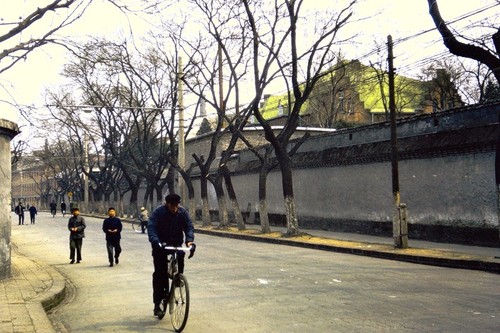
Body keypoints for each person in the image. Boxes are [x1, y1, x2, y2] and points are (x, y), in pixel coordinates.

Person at [148, 193, 194, 318]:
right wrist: (155, 240)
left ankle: (178, 277)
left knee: (181, 255)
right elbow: (151, 227)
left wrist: (189, 241)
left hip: (176, 243)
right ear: (166, 204)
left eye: (176, 205)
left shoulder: (182, 212)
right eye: (172, 206)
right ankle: (157, 303)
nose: (174, 208)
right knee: (159, 274)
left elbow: (189, 227)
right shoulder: (159, 212)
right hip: (161, 244)